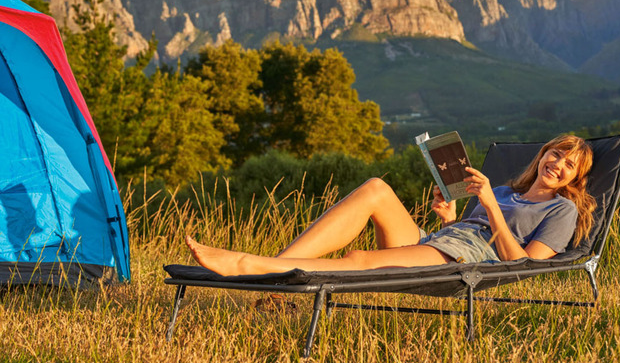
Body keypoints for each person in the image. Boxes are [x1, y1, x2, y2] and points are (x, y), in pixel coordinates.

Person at [186, 134, 596, 276]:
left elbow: (522, 265)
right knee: (376, 187)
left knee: (360, 258)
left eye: (569, 164)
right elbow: (462, 234)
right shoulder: (508, 191)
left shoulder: (562, 211)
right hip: (448, 241)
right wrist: (451, 216)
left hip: (474, 259)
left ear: (576, 177)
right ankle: (275, 283)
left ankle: (248, 265)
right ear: (542, 155)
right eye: (554, 155)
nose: (557, 165)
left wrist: (489, 207)